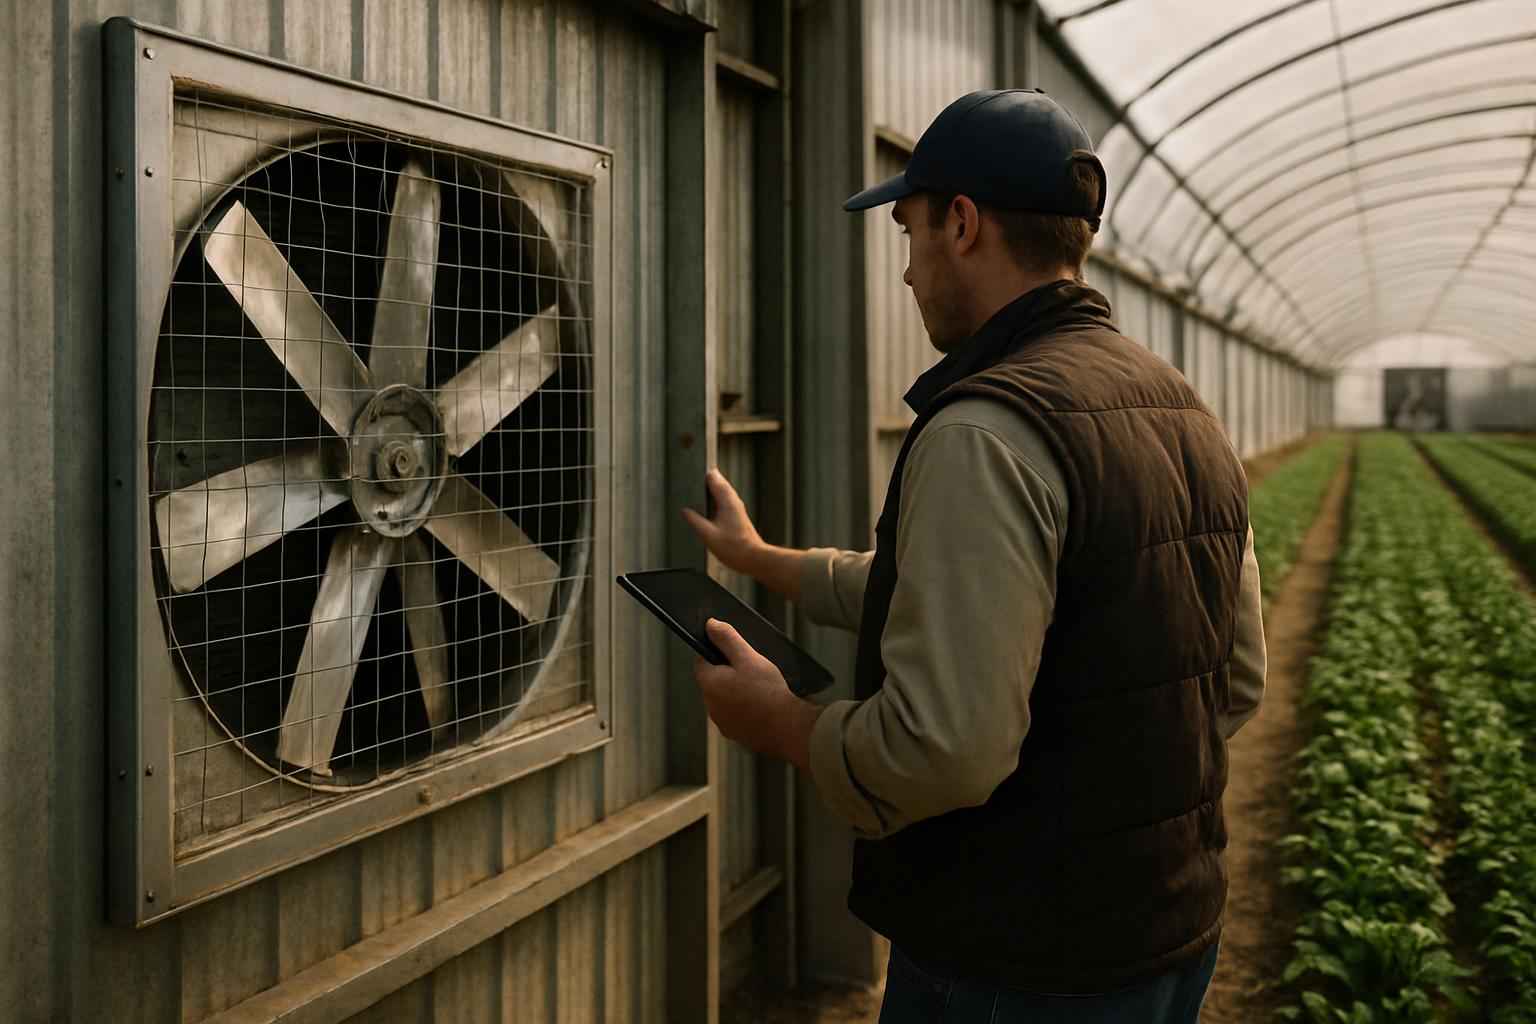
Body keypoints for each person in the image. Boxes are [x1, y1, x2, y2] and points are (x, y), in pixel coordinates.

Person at [683, 89, 1266, 1023]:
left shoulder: (988, 427)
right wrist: (759, 560)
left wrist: (781, 722)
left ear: (962, 223)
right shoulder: (1181, 408)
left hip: (1017, 962)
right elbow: (1230, 678)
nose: (909, 274)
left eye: (909, 233)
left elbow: (942, 753)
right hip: (1169, 934)